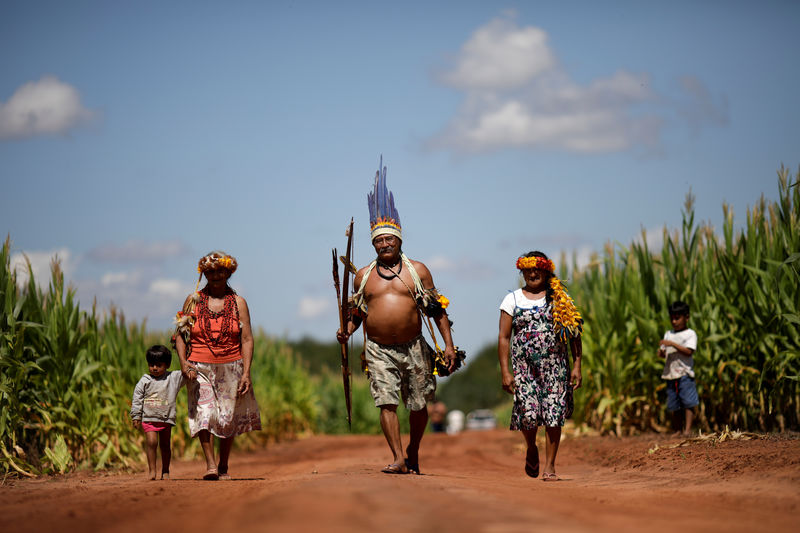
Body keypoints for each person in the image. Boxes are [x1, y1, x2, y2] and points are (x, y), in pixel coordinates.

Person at [337, 157, 458, 475]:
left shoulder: (417, 271)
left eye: (389, 239)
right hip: (378, 349)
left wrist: (448, 344)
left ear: (399, 240)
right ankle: (397, 457)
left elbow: (435, 310)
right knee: (386, 402)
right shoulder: (363, 276)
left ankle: (413, 449)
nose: (384, 244)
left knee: (419, 405)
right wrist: (347, 331)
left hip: (414, 347)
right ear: (373, 245)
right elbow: (357, 313)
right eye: (378, 240)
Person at [173, 251, 261, 480]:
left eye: (219, 271)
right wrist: (184, 364)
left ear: (228, 273)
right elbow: (180, 336)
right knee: (205, 412)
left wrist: (246, 373)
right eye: (210, 272)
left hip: (231, 366)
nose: (214, 276)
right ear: (204, 274)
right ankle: (210, 464)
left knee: (227, 417)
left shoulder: (238, 303)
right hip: (199, 367)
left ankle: (224, 464)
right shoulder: (193, 301)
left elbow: (247, 339)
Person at [497, 251, 583, 481]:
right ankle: (531, 447)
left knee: (554, 414)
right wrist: (505, 371)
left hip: (556, 366)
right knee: (528, 413)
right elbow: (504, 337)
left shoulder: (560, 298)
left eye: (537, 269)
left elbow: (574, 334)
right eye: (528, 269)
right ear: (522, 271)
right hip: (524, 368)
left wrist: (577, 365)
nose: (533, 273)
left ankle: (550, 466)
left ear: (546, 271)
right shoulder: (512, 299)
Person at [130, 345, 185, 480]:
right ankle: (152, 471)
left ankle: (165, 470)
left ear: (167, 365)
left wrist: (185, 350)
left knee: (165, 445)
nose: (154, 368)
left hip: (166, 420)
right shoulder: (145, 381)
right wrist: (136, 415)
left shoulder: (173, 378)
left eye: (159, 365)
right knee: (152, 443)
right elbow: (137, 398)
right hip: (149, 418)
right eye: (151, 364)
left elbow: (186, 371)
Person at [657, 300, 698, 436]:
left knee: (688, 402)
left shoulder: (690, 334)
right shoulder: (668, 334)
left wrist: (672, 344)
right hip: (670, 374)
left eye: (677, 318)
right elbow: (662, 354)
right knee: (674, 403)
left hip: (685, 373)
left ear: (687, 318)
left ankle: (687, 430)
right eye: (672, 318)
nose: (674, 321)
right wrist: (661, 352)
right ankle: (677, 430)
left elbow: (689, 351)